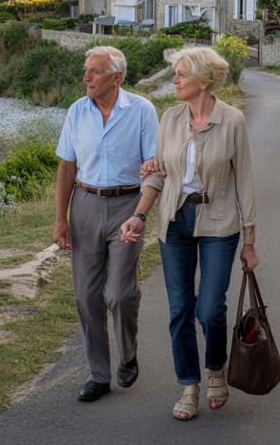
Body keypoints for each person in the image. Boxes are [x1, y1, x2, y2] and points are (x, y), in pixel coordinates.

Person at [121, 46, 258, 421]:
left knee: (210, 309)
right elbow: (159, 172)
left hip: (219, 221)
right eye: (175, 73)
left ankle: (216, 368)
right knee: (180, 309)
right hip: (175, 221)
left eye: (181, 74)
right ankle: (189, 384)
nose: (175, 79)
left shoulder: (233, 120)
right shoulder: (170, 118)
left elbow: (244, 181)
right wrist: (139, 214)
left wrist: (249, 241)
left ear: (206, 80)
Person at [53, 45, 158, 403]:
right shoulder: (76, 112)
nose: (86, 78)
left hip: (127, 205)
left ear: (117, 77)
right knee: (86, 296)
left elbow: (153, 166)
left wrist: (141, 213)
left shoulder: (142, 110)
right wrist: (60, 220)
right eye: (86, 70)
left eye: (94, 72)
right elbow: (66, 167)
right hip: (84, 204)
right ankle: (98, 375)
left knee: (120, 293)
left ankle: (128, 355)